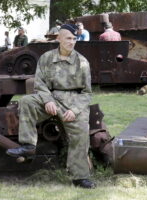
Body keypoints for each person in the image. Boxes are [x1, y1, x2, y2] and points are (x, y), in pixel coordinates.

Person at [6, 24, 95, 189]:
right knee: (27, 101)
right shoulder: (46, 58)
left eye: (74, 39)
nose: (72, 42)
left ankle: (80, 176)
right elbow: (40, 83)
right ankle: (28, 145)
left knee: (81, 133)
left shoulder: (82, 62)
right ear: (59, 38)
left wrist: (74, 110)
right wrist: (47, 100)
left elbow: (87, 93)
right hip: (51, 97)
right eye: (68, 38)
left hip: (72, 101)